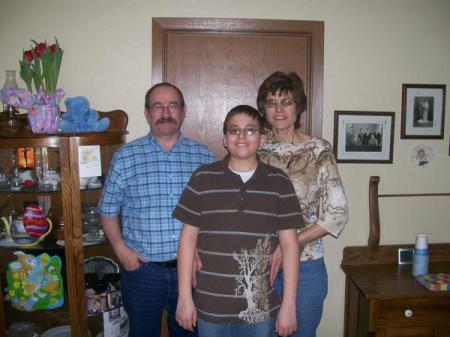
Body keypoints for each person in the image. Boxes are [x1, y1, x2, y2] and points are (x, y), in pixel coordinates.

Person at [98, 82, 216, 337]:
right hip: (142, 273)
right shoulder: (126, 157)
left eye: (172, 106)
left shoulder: (204, 156)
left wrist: (202, 248)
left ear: (183, 111)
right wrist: (120, 248)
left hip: (192, 273)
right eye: (158, 106)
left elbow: (215, 212)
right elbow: (106, 209)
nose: (165, 112)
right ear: (147, 112)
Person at [173, 105, 303, 337]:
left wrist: (289, 306)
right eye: (234, 131)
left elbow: (290, 246)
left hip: (259, 309)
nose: (241, 137)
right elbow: (187, 238)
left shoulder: (279, 183)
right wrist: (184, 297)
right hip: (209, 306)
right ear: (225, 139)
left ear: (262, 138)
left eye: (250, 131)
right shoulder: (203, 178)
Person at [256, 71, 348, 337]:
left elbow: (337, 213)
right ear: (263, 109)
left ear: (298, 107)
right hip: (260, 265)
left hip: (307, 266)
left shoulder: (318, 150)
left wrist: (290, 244)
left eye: (286, 101)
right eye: (272, 102)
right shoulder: (255, 149)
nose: (279, 109)